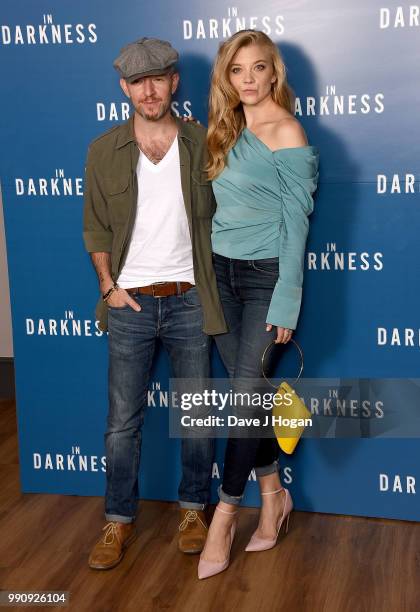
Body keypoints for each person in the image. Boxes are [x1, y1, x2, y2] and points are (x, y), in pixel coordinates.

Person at [83, 37, 227, 570]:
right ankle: (117, 521)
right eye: (138, 81)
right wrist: (107, 287)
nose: (149, 89)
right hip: (129, 305)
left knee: (195, 416)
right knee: (122, 422)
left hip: (191, 301)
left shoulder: (203, 142)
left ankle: (194, 510)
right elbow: (96, 226)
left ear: (174, 83)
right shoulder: (103, 151)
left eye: (159, 77)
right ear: (124, 87)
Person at [198, 30, 319, 579]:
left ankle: (225, 515)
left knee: (246, 394)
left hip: (266, 279)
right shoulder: (223, 130)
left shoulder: (286, 130)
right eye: (237, 70)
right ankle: (274, 496)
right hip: (220, 275)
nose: (247, 79)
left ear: (275, 74)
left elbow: (298, 226)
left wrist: (287, 302)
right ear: (227, 76)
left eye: (258, 68)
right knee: (250, 396)